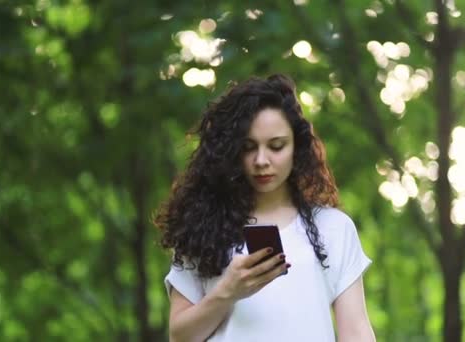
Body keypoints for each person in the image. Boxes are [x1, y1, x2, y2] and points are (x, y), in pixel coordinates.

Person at [155, 74, 375, 341]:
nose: (261, 160)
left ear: (297, 147)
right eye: (248, 147)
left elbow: (356, 332)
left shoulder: (333, 228)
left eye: (276, 146)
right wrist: (228, 291)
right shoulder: (202, 227)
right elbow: (180, 337)